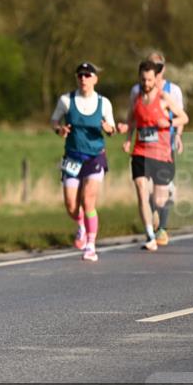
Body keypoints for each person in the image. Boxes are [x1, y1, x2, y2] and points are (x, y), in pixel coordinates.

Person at [50, 62, 117, 262]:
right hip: (72, 158)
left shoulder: (103, 103)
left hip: (95, 157)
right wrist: (59, 130)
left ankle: (91, 245)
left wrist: (108, 128)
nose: (84, 79)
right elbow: (54, 120)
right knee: (72, 205)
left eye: (88, 75)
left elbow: (112, 128)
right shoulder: (66, 100)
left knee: (88, 200)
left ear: (95, 79)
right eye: (80, 75)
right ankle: (81, 224)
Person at [122, 60, 189, 251]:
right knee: (141, 190)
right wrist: (127, 137)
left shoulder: (163, 97)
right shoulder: (136, 98)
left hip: (161, 153)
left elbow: (184, 117)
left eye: (150, 79)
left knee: (159, 200)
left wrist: (168, 123)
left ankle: (165, 201)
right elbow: (131, 120)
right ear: (139, 78)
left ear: (155, 79)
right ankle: (150, 236)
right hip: (140, 151)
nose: (146, 83)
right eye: (143, 79)